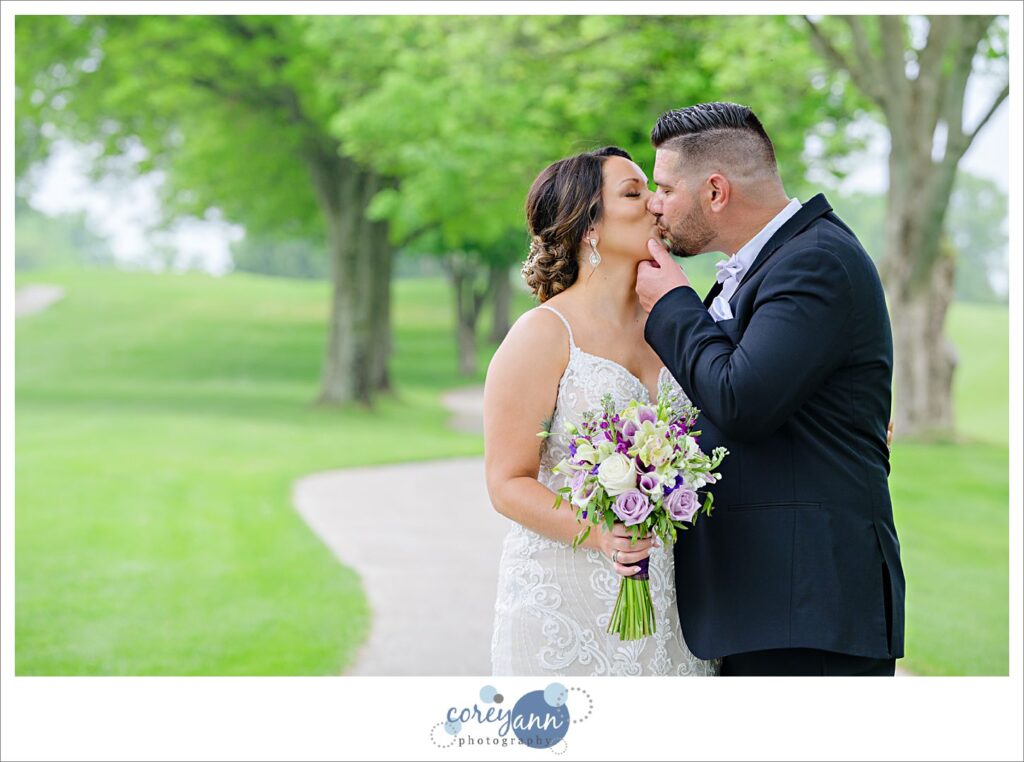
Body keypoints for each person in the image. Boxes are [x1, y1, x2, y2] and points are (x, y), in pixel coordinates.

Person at [635, 102, 905, 676]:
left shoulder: (816, 262)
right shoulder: (777, 262)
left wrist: (671, 304)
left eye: (663, 187)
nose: (656, 203)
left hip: (806, 605)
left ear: (715, 191)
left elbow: (740, 399)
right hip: (770, 602)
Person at [485, 146, 717, 676]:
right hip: (566, 597)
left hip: (673, 596)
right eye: (634, 194)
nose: (657, 204)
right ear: (589, 226)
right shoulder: (543, 335)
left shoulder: (679, 321)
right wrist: (598, 532)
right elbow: (507, 481)